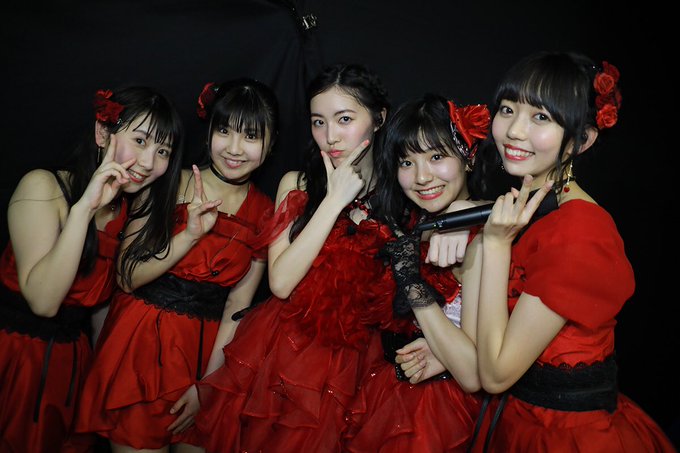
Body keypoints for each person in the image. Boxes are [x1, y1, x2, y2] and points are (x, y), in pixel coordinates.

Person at [472, 51, 677, 452]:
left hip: (564, 436)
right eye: (508, 109)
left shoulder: (580, 231)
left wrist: (493, 245)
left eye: (540, 117)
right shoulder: (529, 208)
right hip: (516, 420)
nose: (514, 130)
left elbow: (495, 375)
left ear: (582, 140)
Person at [194, 63, 392, 452]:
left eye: (345, 119)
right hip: (279, 351)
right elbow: (281, 282)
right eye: (319, 122)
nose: (330, 136)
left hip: (349, 367)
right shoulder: (297, 183)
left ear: (379, 119)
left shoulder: (399, 197)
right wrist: (333, 202)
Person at [75, 78, 280, 452]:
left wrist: (209, 384)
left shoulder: (267, 211)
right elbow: (126, 277)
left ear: (271, 143)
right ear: (209, 131)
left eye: (251, 136)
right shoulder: (168, 183)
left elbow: (238, 304)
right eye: (224, 131)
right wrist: (189, 236)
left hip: (209, 355)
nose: (234, 148)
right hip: (142, 344)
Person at [0, 86, 184, 453]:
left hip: (73, 365)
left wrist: (104, 378)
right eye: (140, 141)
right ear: (103, 133)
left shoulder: (127, 212)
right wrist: (84, 208)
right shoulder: (43, 187)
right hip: (16, 359)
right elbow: (43, 302)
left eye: (162, 151)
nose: (149, 162)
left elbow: (101, 309)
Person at [344, 93, 490, 452]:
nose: (422, 177)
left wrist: (410, 280)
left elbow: (471, 372)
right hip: (387, 392)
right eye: (407, 162)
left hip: (442, 412)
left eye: (436, 157)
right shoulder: (411, 224)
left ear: (468, 157)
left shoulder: (486, 237)